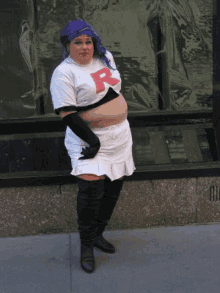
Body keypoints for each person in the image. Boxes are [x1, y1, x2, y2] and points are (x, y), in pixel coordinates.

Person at [50, 19, 136, 274]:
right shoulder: (64, 72)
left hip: (119, 136)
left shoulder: (104, 56)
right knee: (90, 193)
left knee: (112, 188)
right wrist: (93, 140)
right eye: (78, 42)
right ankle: (86, 246)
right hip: (87, 140)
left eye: (88, 41)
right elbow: (67, 113)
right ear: (68, 45)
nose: (85, 47)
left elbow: (113, 89)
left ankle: (98, 234)